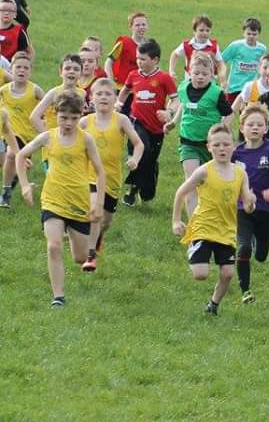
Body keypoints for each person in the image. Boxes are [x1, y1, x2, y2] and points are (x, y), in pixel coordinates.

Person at [16, 92, 106, 307]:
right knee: (54, 246)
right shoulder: (48, 137)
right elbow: (21, 155)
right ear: (55, 115)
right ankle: (58, 297)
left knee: (79, 257)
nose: (68, 123)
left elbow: (100, 171)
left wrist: (99, 203)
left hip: (78, 203)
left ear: (80, 116)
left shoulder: (86, 139)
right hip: (52, 200)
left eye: (74, 118)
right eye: (64, 117)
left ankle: (91, 242)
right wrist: (25, 185)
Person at [172, 123, 256, 315]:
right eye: (217, 145)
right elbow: (181, 192)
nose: (221, 149)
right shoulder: (204, 171)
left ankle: (213, 305)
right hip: (203, 226)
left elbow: (248, 206)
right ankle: (194, 247)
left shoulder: (240, 173)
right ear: (209, 146)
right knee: (200, 274)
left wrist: (250, 202)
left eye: (226, 145)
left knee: (228, 273)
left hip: (226, 229)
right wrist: (176, 221)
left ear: (233, 146)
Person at [229, 103, 269, 304]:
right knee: (244, 247)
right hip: (242, 208)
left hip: (268, 209)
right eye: (250, 124)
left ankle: (261, 242)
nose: (254, 128)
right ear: (242, 127)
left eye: (259, 124)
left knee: (261, 255)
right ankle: (245, 290)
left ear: (266, 128)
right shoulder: (236, 153)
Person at [80, 78, 143, 271]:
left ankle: (98, 237)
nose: (103, 97)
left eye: (108, 94)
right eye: (99, 94)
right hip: (90, 177)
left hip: (112, 179)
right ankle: (90, 256)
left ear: (115, 98)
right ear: (92, 98)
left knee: (105, 220)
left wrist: (134, 159)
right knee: (94, 213)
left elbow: (139, 143)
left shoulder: (121, 120)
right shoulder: (84, 122)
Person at [169, 51, 232, 215]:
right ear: (189, 72)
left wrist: (224, 130)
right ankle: (194, 232)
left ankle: (212, 217)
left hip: (210, 146)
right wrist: (172, 120)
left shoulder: (216, 93)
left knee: (210, 185)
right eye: (196, 73)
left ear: (212, 75)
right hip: (188, 143)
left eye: (205, 74)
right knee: (191, 184)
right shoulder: (182, 87)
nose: (200, 77)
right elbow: (183, 105)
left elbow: (229, 113)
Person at [117, 40, 178, 206]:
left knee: (149, 161)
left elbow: (176, 100)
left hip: (156, 128)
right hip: (136, 122)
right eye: (138, 58)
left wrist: (169, 112)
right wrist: (119, 104)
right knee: (140, 149)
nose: (139, 62)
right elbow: (125, 91)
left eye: (143, 59)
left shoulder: (164, 78)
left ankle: (143, 188)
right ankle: (131, 190)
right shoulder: (133, 75)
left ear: (155, 60)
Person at [0, 52, 44, 207]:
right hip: (8, 133)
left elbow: (47, 108)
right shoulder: (4, 90)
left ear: (30, 71)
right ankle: (5, 192)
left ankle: (11, 188)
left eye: (26, 68)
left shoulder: (35, 90)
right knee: (12, 155)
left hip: (29, 136)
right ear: (11, 69)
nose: (22, 70)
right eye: (18, 67)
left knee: (19, 163)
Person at [220, 18, 267, 104]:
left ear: (259, 34)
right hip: (234, 87)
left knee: (249, 113)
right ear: (243, 33)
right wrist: (223, 79)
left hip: (251, 88)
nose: (251, 36)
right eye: (248, 33)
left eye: (254, 34)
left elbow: (263, 66)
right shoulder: (235, 46)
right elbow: (221, 60)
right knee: (229, 112)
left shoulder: (262, 49)